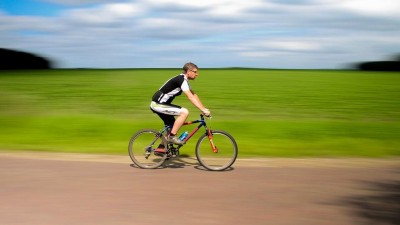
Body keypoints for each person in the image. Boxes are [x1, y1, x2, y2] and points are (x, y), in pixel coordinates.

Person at [150, 62, 211, 147]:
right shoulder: (181, 80)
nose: (197, 74)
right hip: (157, 104)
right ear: (188, 71)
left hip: (161, 105)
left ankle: (161, 149)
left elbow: (194, 95)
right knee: (184, 112)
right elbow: (190, 97)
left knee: (174, 127)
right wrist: (202, 110)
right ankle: (171, 137)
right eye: (195, 72)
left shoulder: (184, 80)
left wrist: (204, 108)